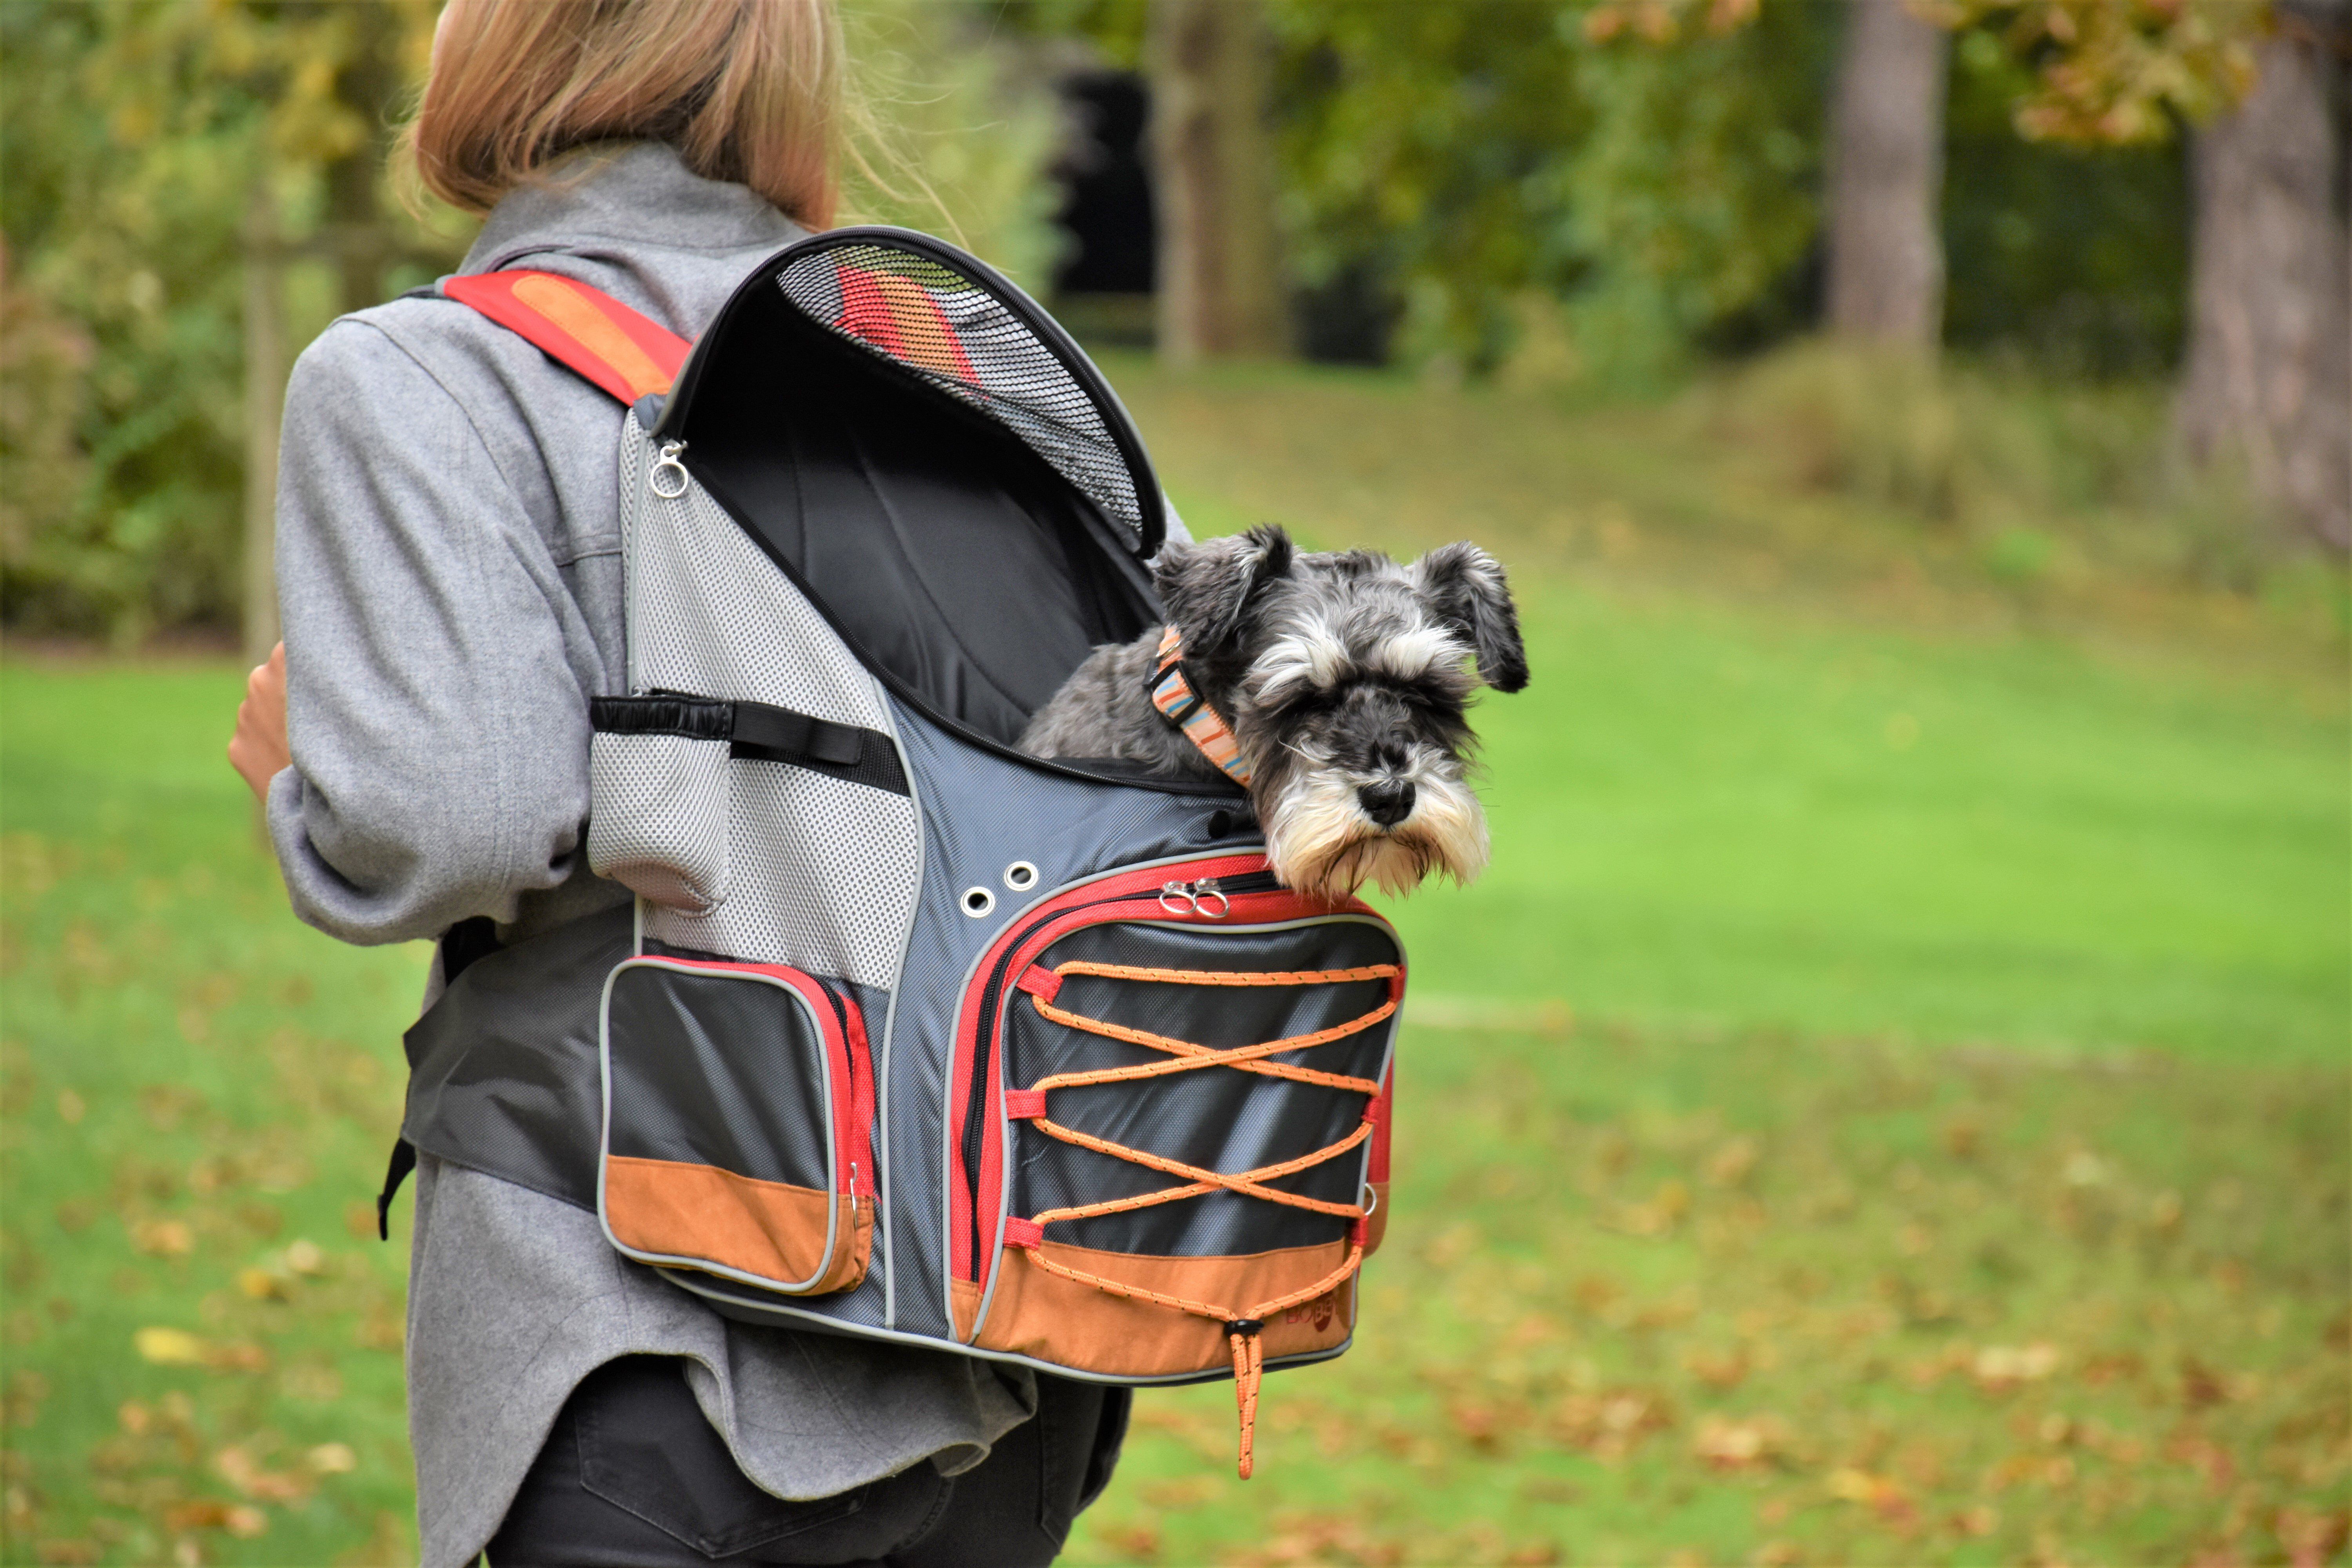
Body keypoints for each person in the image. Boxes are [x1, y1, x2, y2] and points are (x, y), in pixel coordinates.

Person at [225, 3, 1131, 1563]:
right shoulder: (962, 374)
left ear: (495, 54)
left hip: (641, 1340)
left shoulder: (429, 380)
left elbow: (461, 817)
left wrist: (305, 780)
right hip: (998, 1350)